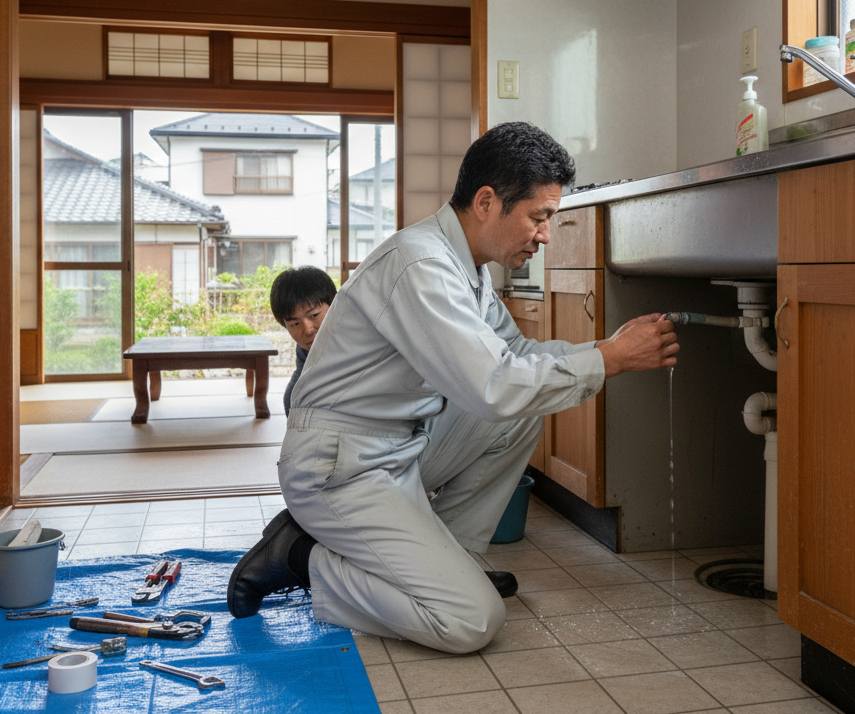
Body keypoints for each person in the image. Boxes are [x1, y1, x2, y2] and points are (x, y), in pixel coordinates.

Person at [227, 122, 678, 654]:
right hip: (340, 466)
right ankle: (301, 555)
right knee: (469, 620)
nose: (545, 235)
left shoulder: (470, 270)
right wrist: (609, 360)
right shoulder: (422, 264)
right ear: (486, 201)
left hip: (397, 448)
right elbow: (495, 386)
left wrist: (606, 349)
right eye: (539, 217)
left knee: (518, 414)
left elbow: (518, 361)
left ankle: (443, 564)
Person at [268, 266, 336, 415]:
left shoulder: (362, 333)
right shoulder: (306, 350)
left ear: (334, 304)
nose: (308, 329)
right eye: (295, 324)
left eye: (314, 315)